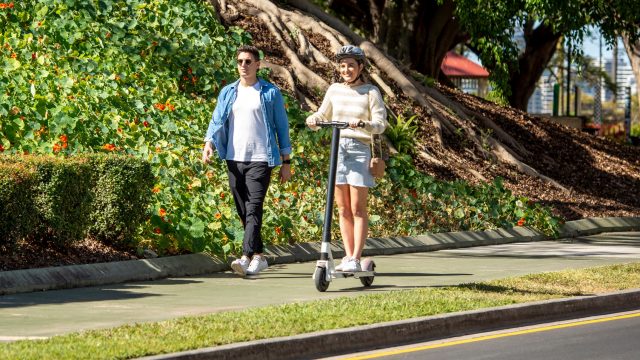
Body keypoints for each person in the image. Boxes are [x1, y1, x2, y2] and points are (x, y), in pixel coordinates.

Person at [203, 45, 292, 276]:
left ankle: (244, 257)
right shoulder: (228, 92)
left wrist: (286, 162)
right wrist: (208, 144)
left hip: (261, 159)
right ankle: (259, 255)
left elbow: (282, 127)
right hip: (233, 157)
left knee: (254, 207)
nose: (244, 65)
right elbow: (216, 119)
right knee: (243, 209)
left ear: (258, 65)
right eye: (240, 61)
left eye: (249, 61)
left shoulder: (270, 93)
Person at [305, 45, 387, 272]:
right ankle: (347, 256)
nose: (346, 69)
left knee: (357, 207)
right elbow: (323, 114)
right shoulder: (334, 90)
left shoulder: (371, 92)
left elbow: (380, 124)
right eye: (342, 66)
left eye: (351, 65)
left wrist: (362, 123)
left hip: (360, 149)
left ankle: (355, 257)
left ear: (360, 67)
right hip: (338, 148)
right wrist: (314, 119)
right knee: (342, 208)